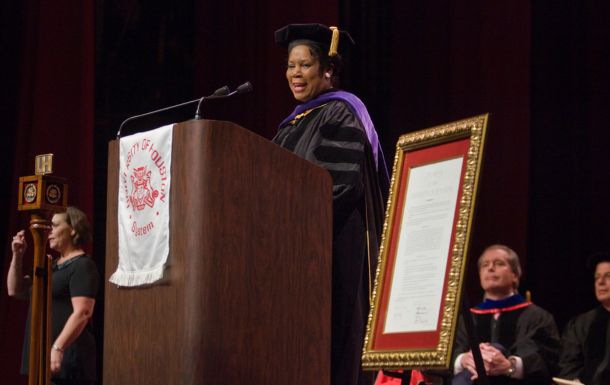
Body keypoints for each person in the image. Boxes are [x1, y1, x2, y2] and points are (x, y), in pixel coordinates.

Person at [273, 23, 389, 385]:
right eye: (291, 65)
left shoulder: (340, 112)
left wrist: (291, 224)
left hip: (331, 249)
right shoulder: (289, 125)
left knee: (331, 345)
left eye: (305, 65)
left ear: (327, 70)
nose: (295, 73)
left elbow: (339, 186)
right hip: (293, 251)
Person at [7, 206, 100, 385]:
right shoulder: (51, 265)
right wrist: (17, 255)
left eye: (55, 226)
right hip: (41, 361)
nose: (49, 231)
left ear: (73, 229)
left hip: (68, 365)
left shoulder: (82, 265)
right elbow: (14, 290)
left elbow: (83, 312)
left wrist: (58, 347)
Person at [452, 245, 560, 385]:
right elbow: (449, 354)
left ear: (515, 275)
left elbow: (547, 358)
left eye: (499, 263)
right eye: (485, 265)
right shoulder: (466, 318)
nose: (490, 268)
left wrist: (511, 366)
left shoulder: (537, 317)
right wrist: (463, 360)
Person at [558, 251, 610, 384]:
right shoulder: (581, 324)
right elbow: (568, 364)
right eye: (596, 277)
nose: (601, 282)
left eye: (608, 276)